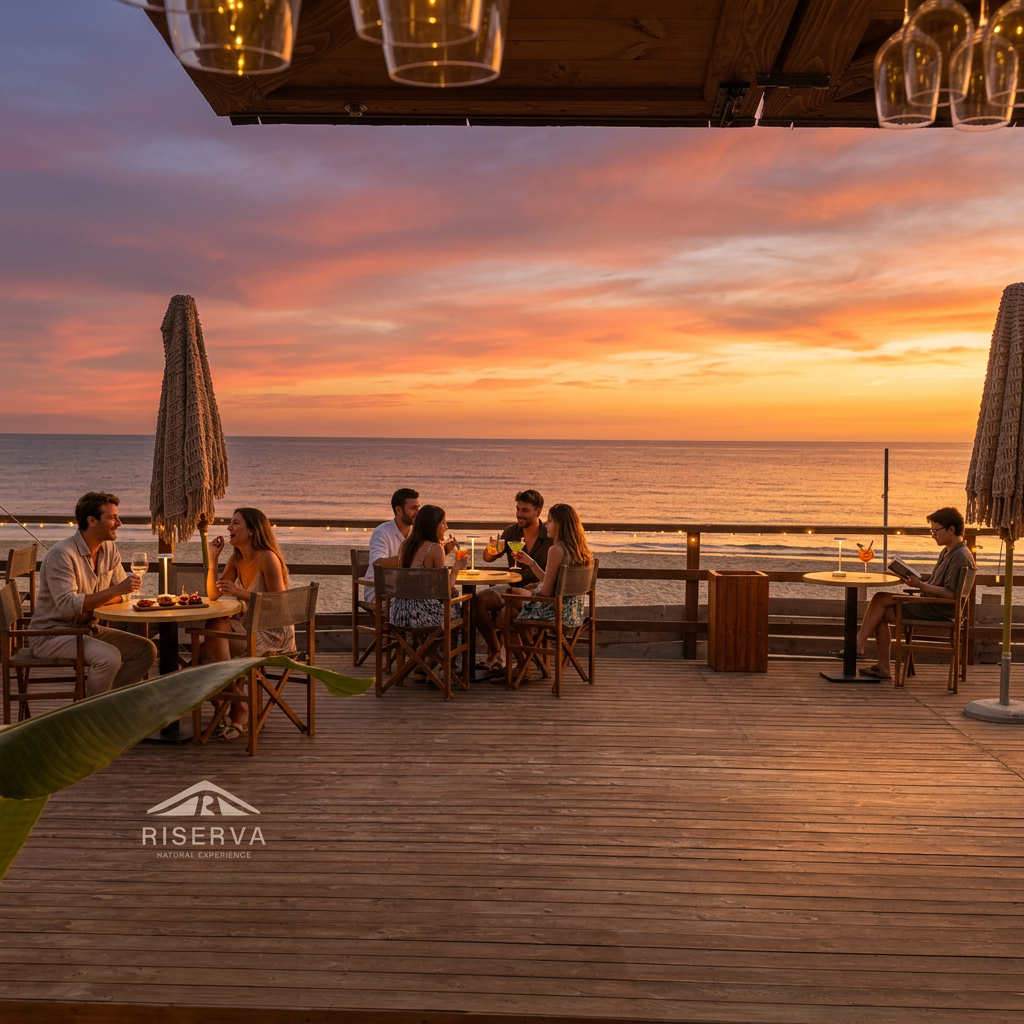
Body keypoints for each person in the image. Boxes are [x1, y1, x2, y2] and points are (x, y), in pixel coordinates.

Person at [30, 491, 156, 695]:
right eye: (113, 517)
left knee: (146, 650)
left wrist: (92, 603)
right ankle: (94, 717)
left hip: (89, 628)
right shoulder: (61, 554)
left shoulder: (110, 550)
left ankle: (111, 703)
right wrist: (115, 591)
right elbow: (69, 606)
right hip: (53, 634)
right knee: (109, 657)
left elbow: (125, 594)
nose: (119, 523)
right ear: (92, 521)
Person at [200, 507, 296, 740]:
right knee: (208, 638)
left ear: (251, 531)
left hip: (273, 631)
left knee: (205, 652)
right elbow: (213, 594)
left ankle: (233, 708)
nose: (229, 528)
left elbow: (279, 605)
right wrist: (213, 559)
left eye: (235, 523)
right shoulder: (236, 557)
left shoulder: (268, 558)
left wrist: (240, 593)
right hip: (248, 627)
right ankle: (237, 703)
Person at [854, 506, 975, 680]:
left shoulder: (959, 556)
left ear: (951, 529)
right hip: (931, 604)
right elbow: (937, 582)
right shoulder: (949, 551)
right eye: (931, 530)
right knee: (879, 611)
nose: (933, 535)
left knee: (880, 599)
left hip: (937, 609)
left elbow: (950, 594)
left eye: (935, 530)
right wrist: (911, 578)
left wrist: (921, 586)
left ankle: (859, 647)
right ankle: (879, 664)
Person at [474, 489, 553, 672]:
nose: (519, 514)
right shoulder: (511, 532)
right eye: (517, 509)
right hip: (512, 588)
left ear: (538, 512)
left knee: (505, 614)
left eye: (525, 510)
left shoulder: (548, 535)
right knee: (478, 601)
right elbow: (488, 558)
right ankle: (496, 652)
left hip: (536, 592)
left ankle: (521, 663)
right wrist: (491, 548)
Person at [508, 503, 593, 633]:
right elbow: (553, 584)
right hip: (574, 615)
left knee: (508, 603)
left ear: (559, 525)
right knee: (510, 609)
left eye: (549, 520)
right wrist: (531, 563)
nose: (545, 524)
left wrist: (532, 593)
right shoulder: (581, 551)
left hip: (554, 613)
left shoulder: (556, 550)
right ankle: (530, 651)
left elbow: (546, 593)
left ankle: (526, 651)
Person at [388, 504, 468, 631]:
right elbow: (443, 592)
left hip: (398, 614)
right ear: (433, 525)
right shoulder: (435, 548)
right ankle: (442, 650)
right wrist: (456, 569)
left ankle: (421, 650)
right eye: (443, 523)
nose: (446, 527)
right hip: (422, 616)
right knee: (457, 608)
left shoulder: (406, 545)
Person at [363, 488, 432, 604]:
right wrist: (411, 557)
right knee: (423, 607)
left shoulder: (417, 533)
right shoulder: (382, 532)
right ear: (399, 510)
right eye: (413, 508)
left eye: (419, 507)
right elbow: (378, 563)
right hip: (381, 592)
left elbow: (425, 560)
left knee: (436, 603)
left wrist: (442, 551)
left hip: (407, 590)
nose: (418, 512)